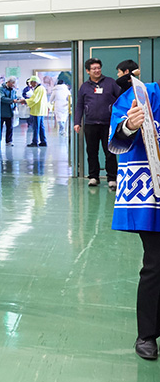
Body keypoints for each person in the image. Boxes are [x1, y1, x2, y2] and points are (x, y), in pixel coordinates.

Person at [109, 83, 160, 360]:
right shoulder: (143, 94)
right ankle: (147, 334)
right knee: (156, 262)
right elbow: (118, 137)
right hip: (152, 193)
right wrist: (129, 124)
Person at [74, 57, 121, 188]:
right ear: (88, 71)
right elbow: (79, 106)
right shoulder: (84, 86)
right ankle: (93, 177)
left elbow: (121, 99)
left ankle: (112, 178)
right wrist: (77, 122)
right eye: (94, 68)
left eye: (98, 68)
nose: (97, 70)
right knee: (91, 152)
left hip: (108, 124)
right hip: (90, 124)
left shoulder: (110, 82)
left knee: (110, 152)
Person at [24, 75, 49, 147]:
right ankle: (43, 141)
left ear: (35, 82)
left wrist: (25, 100)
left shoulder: (39, 89)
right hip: (40, 110)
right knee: (41, 126)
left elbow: (34, 100)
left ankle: (35, 142)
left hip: (37, 111)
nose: (30, 84)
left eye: (31, 82)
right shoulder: (41, 88)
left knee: (36, 127)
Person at [0, 76, 18, 146]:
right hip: (2, 112)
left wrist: (16, 105)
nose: (14, 85)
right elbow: (2, 98)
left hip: (10, 112)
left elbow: (15, 98)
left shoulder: (13, 90)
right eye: (13, 84)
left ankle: (9, 141)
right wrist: (12, 101)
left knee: (10, 127)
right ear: (8, 82)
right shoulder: (1, 89)